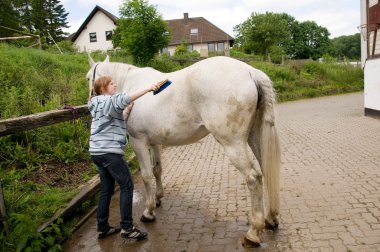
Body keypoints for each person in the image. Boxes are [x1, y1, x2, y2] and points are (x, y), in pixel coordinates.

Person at [88, 76, 162, 240]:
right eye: (111, 84)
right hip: (109, 152)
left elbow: (115, 120)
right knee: (127, 185)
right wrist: (149, 88)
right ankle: (127, 228)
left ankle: (103, 227)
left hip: (97, 152)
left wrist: (127, 111)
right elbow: (123, 98)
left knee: (106, 190)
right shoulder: (107, 100)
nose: (115, 85)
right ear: (102, 89)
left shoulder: (97, 104)